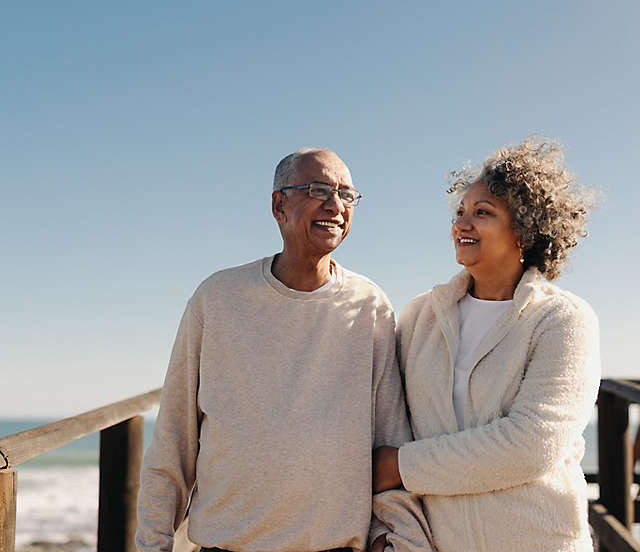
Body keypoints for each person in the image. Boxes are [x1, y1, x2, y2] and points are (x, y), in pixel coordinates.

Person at [136, 148, 413, 552]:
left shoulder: (370, 306)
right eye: (319, 189)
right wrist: (152, 545)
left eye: (347, 194)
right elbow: (172, 443)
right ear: (279, 205)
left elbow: (391, 441)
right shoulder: (217, 298)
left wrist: (394, 538)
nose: (335, 205)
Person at [371, 137, 600, 552]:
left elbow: (532, 444)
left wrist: (400, 466)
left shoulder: (564, 320)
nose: (463, 223)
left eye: (483, 213)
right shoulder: (418, 317)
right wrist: (396, 537)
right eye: (460, 212)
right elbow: (391, 427)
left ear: (525, 231)